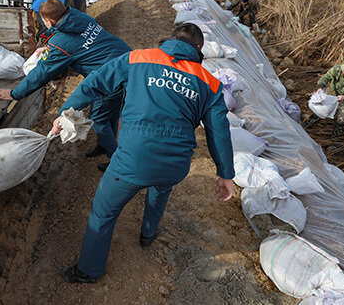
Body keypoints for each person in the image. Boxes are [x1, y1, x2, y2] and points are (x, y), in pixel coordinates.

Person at [52, 23, 235, 283]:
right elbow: (219, 132)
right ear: (198, 49)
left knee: (103, 212)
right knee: (161, 188)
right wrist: (225, 175)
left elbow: (95, 83)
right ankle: (148, 234)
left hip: (133, 160)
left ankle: (88, 270)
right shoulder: (210, 83)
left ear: (172, 39)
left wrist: (66, 112)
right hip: (175, 164)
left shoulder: (137, 58)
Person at [0, 0, 131, 168]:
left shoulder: (61, 43)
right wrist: (53, 48)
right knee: (110, 111)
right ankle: (104, 145)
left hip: (109, 78)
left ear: (49, 21)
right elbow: (78, 43)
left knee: (99, 118)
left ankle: (116, 160)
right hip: (126, 61)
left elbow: (42, 72)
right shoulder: (80, 17)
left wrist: (15, 93)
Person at [305, 57, 344, 137]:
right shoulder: (336, 69)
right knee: (320, 107)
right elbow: (325, 78)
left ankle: (337, 136)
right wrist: (320, 87)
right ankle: (310, 122)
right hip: (332, 94)